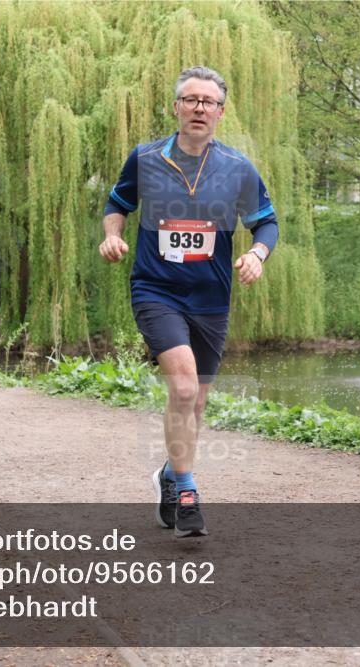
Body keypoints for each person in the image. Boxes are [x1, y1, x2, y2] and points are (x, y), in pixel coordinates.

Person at [99, 65, 278, 537]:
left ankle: (168, 474)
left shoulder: (238, 168)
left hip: (211, 298)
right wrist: (111, 237)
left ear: (221, 112)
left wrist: (258, 254)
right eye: (191, 100)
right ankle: (189, 491)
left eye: (209, 102)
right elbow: (117, 204)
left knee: (195, 404)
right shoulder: (145, 158)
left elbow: (267, 223)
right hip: (157, 290)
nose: (200, 108)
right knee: (181, 389)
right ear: (176, 107)